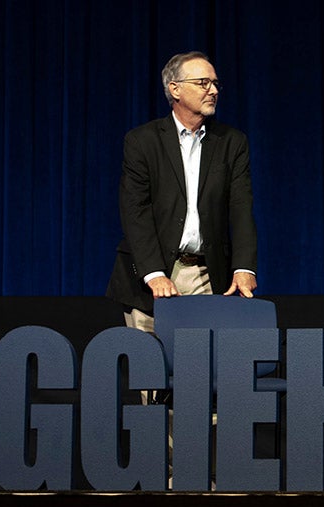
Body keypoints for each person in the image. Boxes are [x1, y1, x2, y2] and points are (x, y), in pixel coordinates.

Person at [107, 51, 258, 334]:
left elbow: (241, 208)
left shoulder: (232, 142)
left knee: (200, 371)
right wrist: (154, 274)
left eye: (215, 84)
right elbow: (135, 211)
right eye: (203, 83)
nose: (213, 90)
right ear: (175, 88)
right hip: (152, 276)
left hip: (207, 274)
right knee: (150, 373)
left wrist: (244, 267)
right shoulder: (142, 141)